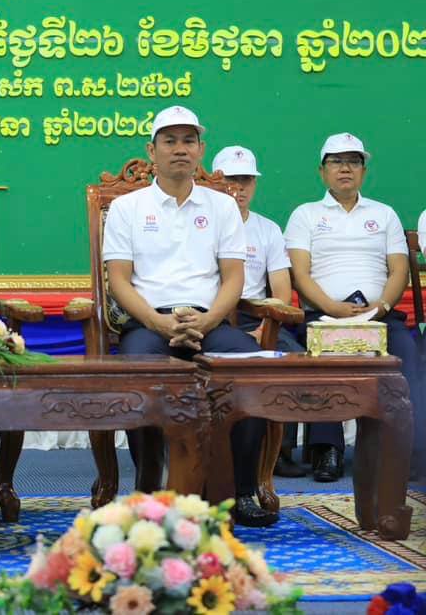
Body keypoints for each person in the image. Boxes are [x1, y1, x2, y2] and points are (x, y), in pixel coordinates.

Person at [103, 105, 277, 527]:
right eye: (170, 141)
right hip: (149, 323)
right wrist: (158, 322)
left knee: (251, 369)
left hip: (208, 321)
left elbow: (234, 278)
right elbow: (119, 281)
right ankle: (151, 492)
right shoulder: (127, 207)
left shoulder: (222, 206)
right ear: (152, 151)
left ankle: (240, 491)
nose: (179, 149)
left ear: (201, 150)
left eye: (188, 141)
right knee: (139, 374)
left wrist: (208, 320)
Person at [285, 133, 422, 482]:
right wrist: (331, 307)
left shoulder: (384, 214)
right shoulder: (305, 215)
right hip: (324, 315)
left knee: (407, 352)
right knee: (321, 357)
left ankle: (410, 451)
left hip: (379, 315)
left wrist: (381, 306)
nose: (345, 168)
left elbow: (398, 270)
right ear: (322, 171)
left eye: (353, 161)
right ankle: (326, 450)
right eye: (336, 161)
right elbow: (300, 274)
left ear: (364, 170)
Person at [211, 146, 309, 479]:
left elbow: (281, 292)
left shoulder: (267, 229)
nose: (238, 188)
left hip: (258, 316)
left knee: (291, 359)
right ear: (214, 182)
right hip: (213, 317)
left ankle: (279, 451)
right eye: (230, 180)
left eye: (246, 180)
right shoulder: (201, 224)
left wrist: (263, 328)